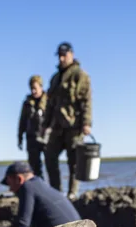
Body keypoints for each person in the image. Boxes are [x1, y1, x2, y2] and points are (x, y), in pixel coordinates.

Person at [41, 42, 92, 200]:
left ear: (71, 54)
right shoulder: (55, 78)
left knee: (74, 162)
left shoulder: (80, 74)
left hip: (74, 125)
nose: (62, 58)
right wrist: (45, 124)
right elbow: (50, 104)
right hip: (57, 126)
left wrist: (86, 122)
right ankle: (56, 191)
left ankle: (72, 193)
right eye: (60, 56)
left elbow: (86, 100)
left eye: (65, 55)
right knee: (49, 156)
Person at [0, 160, 81, 227]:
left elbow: (23, 224)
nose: (10, 189)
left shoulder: (27, 187)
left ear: (19, 179)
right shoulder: (39, 185)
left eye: (10, 184)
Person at [17, 75, 47, 178]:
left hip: (46, 137)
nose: (33, 91)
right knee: (34, 167)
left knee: (51, 165)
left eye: (35, 88)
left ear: (41, 87)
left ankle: (53, 191)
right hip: (32, 138)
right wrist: (20, 137)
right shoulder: (27, 103)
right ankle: (38, 188)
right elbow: (22, 121)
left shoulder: (49, 100)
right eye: (31, 89)